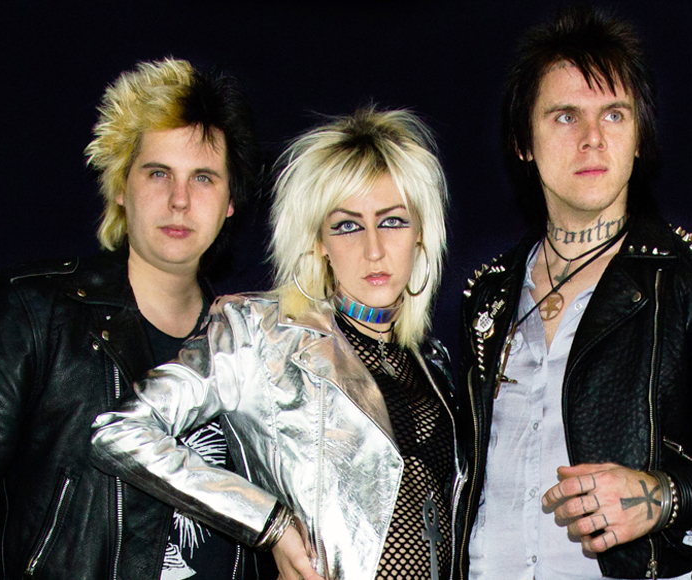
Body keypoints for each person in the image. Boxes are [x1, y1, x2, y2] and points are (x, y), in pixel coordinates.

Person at [0, 58, 265, 579]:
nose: (179, 200)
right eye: (158, 173)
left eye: (203, 178)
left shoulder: (253, 344)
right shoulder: (40, 312)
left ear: (230, 202)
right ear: (121, 186)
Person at [454, 5, 692, 579]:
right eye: (565, 116)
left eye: (613, 114)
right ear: (523, 142)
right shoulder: (486, 294)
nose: (592, 139)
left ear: (638, 137)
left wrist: (661, 498)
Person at [91, 107, 458, 580]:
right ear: (319, 241)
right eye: (347, 225)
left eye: (392, 222)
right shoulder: (260, 333)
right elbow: (122, 431)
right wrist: (270, 523)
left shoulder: (434, 364)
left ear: (421, 233)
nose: (373, 249)